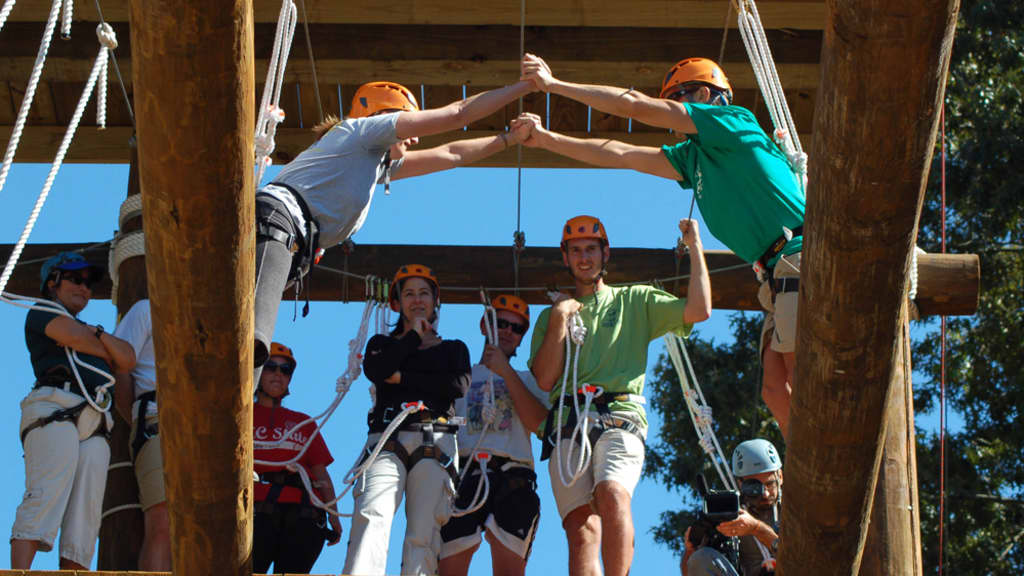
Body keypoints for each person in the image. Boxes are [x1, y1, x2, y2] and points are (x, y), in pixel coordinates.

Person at [517, 54, 805, 438]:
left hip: (796, 257)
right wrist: (545, 140)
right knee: (774, 389)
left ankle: (831, 464)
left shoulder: (733, 122)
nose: (674, 115)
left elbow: (633, 106)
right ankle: (804, 469)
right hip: (777, 272)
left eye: (680, 98)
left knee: (801, 374)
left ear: (704, 94)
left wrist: (555, 85)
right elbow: (618, 154)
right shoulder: (694, 159)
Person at [254, 77, 534, 370]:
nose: (414, 138)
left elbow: (452, 154)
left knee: (248, 351)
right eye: (409, 124)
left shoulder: (367, 161)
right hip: (278, 225)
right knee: (252, 341)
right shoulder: (360, 132)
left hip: (286, 237)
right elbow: (458, 113)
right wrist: (523, 87)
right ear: (383, 118)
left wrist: (509, 140)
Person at [528, 216, 711, 576]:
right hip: (569, 422)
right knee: (581, 529)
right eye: (576, 251)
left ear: (605, 253)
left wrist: (695, 246)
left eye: (591, 250)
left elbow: (699, 309)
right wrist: (559, 318)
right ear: (565, 258)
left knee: (613, 494)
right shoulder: (552, 318)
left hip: (619, 416)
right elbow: (546, 379)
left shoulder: (635, 301)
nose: (584, 258)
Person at [344, 264, 471, 576]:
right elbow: (377, 370)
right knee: (372, 512)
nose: (417, 301)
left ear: (435, 300)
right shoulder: (382, 345)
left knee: (423, 533)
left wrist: (400, 377)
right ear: (396, 303)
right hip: (388, 440)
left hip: (434, 440)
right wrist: (413, 335)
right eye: (409, 294)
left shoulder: (454, 350)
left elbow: (456, 385)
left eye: (424, 294)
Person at [11, 252, 136, 569]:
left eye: (89, 282)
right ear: (52, 282)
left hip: (95, 422)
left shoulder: (89, 329)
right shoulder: (42, 311)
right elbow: (74, 338)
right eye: (75, 279)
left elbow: (128, 358)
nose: (84, 287)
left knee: (86, 516)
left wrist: (94, 336)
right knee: (44, 493)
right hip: (56, 406)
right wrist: (102, 344)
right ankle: (17, 573)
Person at [439, 294, 549, 576]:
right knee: (449, 566)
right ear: (484, 325)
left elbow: (539, 424)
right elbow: (445, 425)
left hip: (514, 475)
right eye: (501, 323)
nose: (508, 331)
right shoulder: (460, 378)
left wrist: (504, 370)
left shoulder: (528, 381)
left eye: (517, 328)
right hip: (467, 472)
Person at [253, 341, 343, 574]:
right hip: (254, 514)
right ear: (257, 373)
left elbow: (322, 474)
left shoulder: (303, 423)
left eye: (285, 370)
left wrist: (334, 517)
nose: (278, 374)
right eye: (270, 367)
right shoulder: (240, 416)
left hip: (302, 515)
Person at [111, 298, 169, 570]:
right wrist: (137, 418)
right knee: (162, 520)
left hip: (206, 428)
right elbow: (119, 366)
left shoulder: (216, 314)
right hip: (156, 420)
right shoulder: (146, 309)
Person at [683, 439, 782, 576]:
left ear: (780, 476)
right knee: (700, 558)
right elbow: (691, 571)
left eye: (769, 484)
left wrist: (756, 528)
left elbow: (801, 558)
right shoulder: (731, 513)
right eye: (754, 488)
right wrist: (690, 549)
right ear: (740, 483)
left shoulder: (797, 508)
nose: (765, 493)